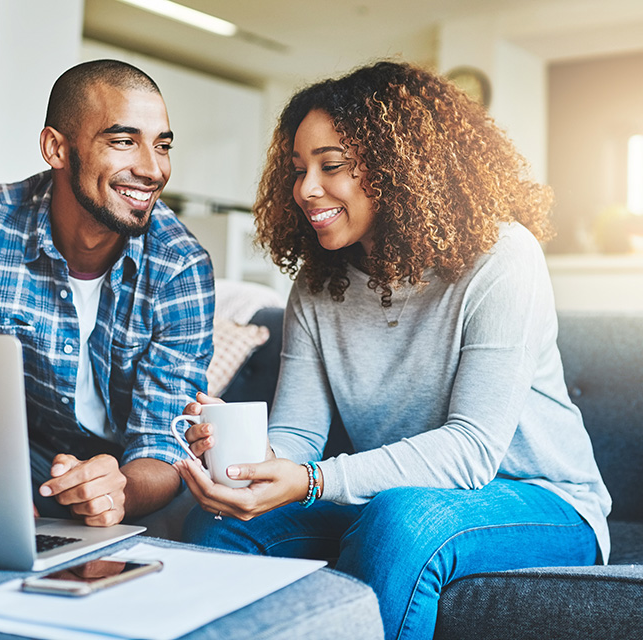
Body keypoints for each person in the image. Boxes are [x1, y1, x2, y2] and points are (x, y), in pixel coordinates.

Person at [174, 60, 611, 640]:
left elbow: (470, 452)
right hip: (395, 498)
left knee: (403, 519)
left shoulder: (502, 258)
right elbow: (298, 437)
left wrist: (311, 481)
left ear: (399, 169)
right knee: (218, 528)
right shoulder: (316, 282)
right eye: (298, 169)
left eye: (331, 166)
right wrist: (244, 461)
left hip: (545, 502)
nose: (306, 189)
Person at [0, 60, 215, 527]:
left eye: (162, 145)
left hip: (132, 469)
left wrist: (115, 489)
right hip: (24, 451)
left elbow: (162, 446)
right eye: (124, 141)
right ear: (56, 148)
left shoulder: (179, 265)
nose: (152, 169)